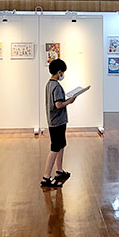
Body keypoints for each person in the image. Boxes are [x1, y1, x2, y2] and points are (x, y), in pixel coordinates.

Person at [41, 58, 80, 188]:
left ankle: (59, 170)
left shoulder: (49, 84)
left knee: (61, 145)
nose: (63, 74)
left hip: (55, 120)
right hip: (57, 121)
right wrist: (70, 101)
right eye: (63, 72)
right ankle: (46, 177)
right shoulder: (56, 86)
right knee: (55, 148)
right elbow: (58, 105)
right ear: (59, 72)